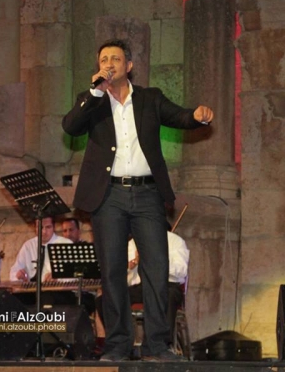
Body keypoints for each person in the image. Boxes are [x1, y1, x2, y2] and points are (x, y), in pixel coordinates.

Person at [62, 39, 213, 362]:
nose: (109, 63)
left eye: (115, 59)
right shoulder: (93, 101)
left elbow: (179, 116)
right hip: (108, 196)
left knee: (156, 268)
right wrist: (95, 92)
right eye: (104, 59)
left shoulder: (149, 98)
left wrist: (197, 115)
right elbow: (70, 127)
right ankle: (118, 345)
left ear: (128, 66)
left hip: (147, 194)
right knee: (112, 271)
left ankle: (157, 345)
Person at [96, 231, 189, 349]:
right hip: (140, 287)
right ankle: (119, 344)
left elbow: (182, 270)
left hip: (167, 285)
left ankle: (161, 345)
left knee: (168, 295)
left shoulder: (175, 241)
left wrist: (155, 261)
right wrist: (129, 267)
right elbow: (124, 280)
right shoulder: (132, 244)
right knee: (105, 300)